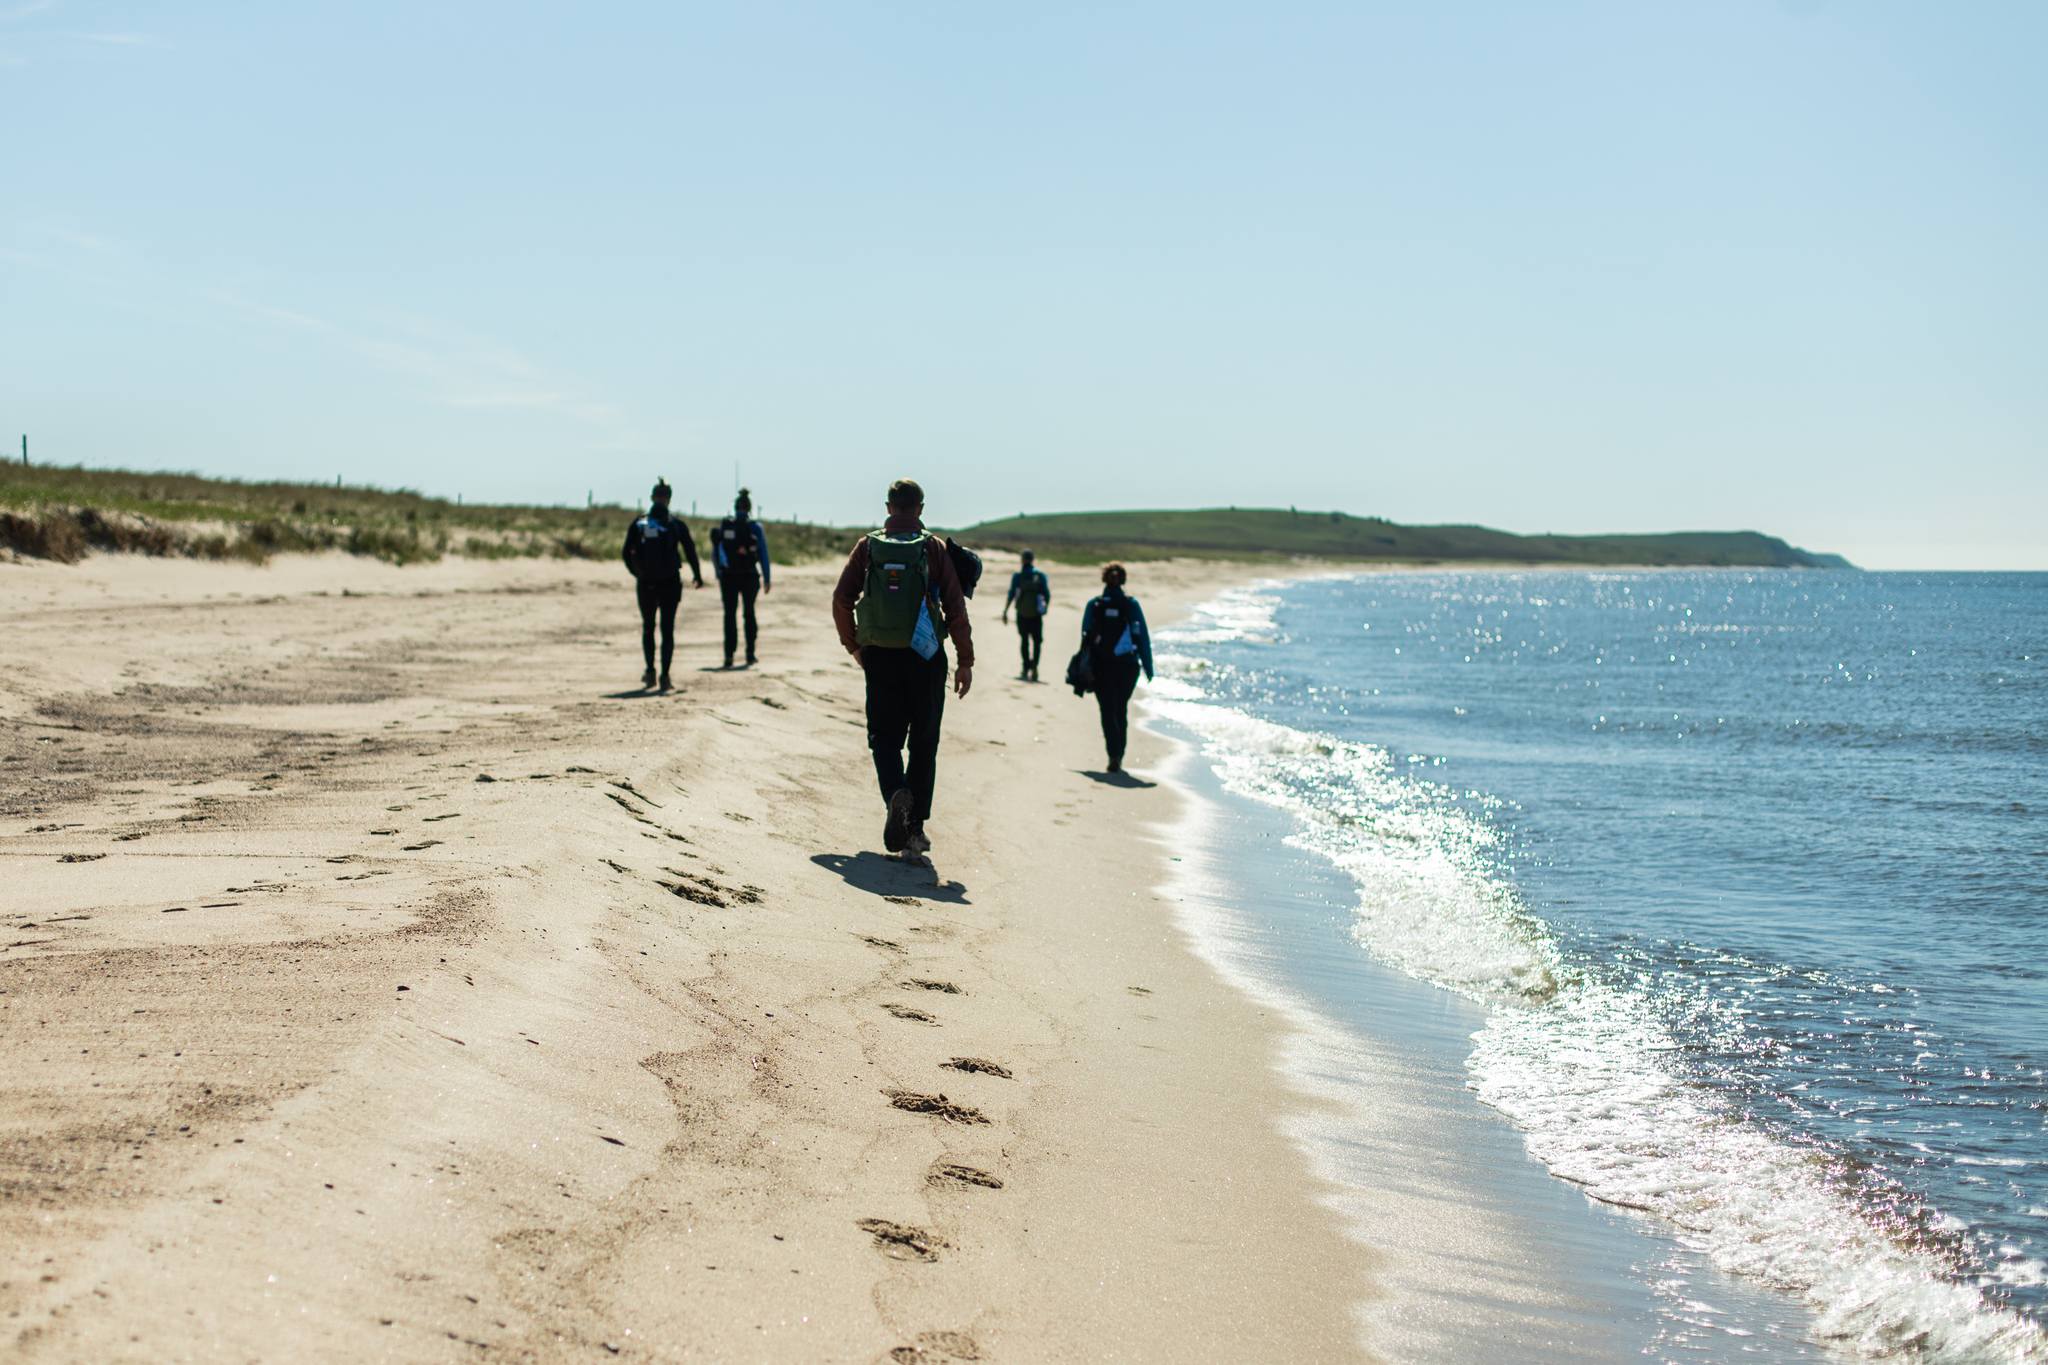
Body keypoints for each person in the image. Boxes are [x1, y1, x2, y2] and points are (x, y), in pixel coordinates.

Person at [831, 478, 974, 858]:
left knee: (884, 737)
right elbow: (956, 608)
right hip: (925, 656)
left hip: (880, 653)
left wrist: (854, 645)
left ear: (889, 507)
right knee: (924, 742)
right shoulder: (933, 548)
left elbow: (842, 599)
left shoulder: (868, 546)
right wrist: (965, 661)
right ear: (921, 509)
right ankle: (915, 829)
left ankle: (896, 791)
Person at [620, 477, 703, 691]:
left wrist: (637, 573)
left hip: (646, 582)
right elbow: (690, 550)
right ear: (669, 499)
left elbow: (625, 553)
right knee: (668, 630)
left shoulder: (640, 523)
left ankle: (650, 672)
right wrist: (697, 575)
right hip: (670, 582)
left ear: (652, 497)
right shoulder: (676, 524)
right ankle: (665, 676)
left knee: (648, 627)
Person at [1079, 562, 1154, 773]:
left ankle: (1112, 754)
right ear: (1123, 580)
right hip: (1127, 666)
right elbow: (1142, 638)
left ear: (1104, 579)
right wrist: (1148, 667)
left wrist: (1083, 668)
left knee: (1106, 710)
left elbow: (1085, 636)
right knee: (1121, 710)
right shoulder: (1131, 605)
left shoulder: (1094, 605)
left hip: (1101, 666)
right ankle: (1119, 755)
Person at [713, 488, 772, 668]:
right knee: (749, 613)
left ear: (736, 507)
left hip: (729, 576)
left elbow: (717, 552)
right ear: (749, 508)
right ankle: (750, 653)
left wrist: (719, 573)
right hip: (749, 576)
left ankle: (729, 655)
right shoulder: (755, 527)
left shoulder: (726, 525)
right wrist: (767, 578)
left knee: (729, 615)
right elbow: (763, 553)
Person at [1000, 549, 1050, 681]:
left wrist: (1005, 610)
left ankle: (1025, 667)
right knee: (1037, 642)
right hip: (1036, 615)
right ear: (1033, 560)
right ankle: (1035, 667)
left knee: (1024, 641)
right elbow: (1046, 594)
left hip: (1021, 613)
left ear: (1022, 560)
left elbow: (1011, 594)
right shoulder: (1040, 575)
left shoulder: (1018, 576)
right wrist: (1044, 609)